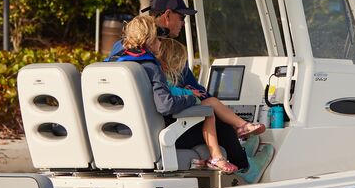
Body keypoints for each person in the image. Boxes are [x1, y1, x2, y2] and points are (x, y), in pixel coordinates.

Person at [111, 13, 260, 171]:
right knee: (221, 124)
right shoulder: (149, 66)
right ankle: (246, 169)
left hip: (121, 134)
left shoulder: (114, 64)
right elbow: (166, 105)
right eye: (158, 38)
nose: (160, 43)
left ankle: (241, 154)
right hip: (155, 135)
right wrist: (191, 98)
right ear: (150, 40)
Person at [157, 38, 236, 172]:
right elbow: (170, 92)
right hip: (171, 130)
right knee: (210, 114)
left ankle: (240, 130)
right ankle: (219, 156)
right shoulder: (164, 76)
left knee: (212, 111)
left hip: (164, 127)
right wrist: (190, 94)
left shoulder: (152, 73)